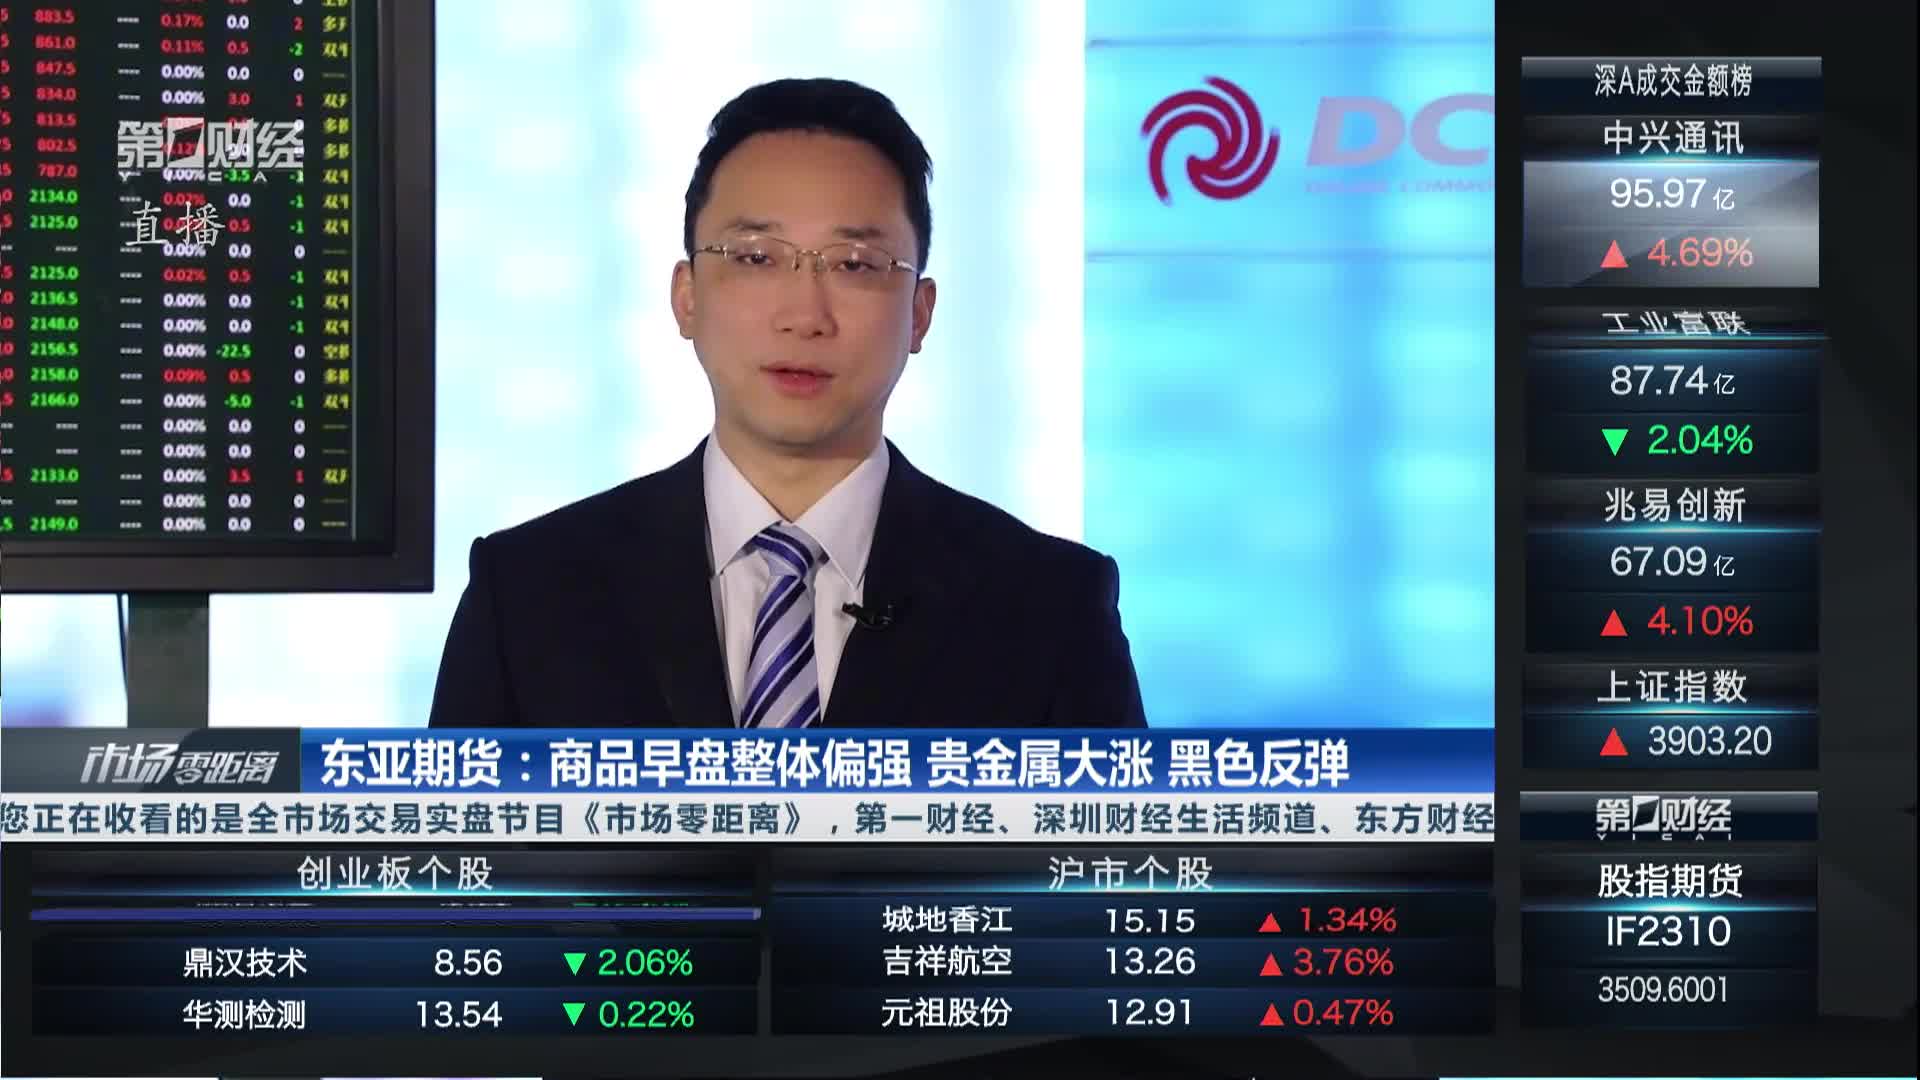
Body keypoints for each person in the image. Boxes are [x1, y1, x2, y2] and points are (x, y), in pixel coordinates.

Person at [429, 78, 1146, 729]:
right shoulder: (527, 593)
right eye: (755, 257)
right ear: (686, 296)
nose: (805, 315)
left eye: (856, 265)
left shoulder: (1050, 607)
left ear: (919, 313)